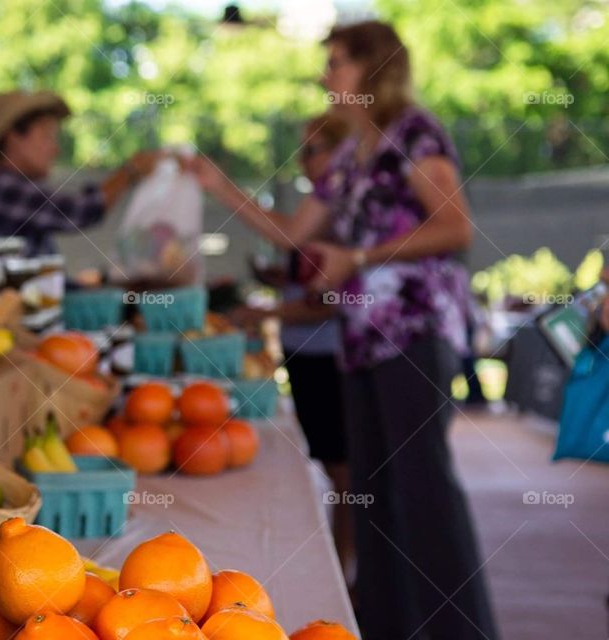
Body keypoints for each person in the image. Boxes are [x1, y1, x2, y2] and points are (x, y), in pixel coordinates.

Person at [189, 20, 498, 640]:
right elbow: (291, 233)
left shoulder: (414, 132)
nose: (325, 76)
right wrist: (219, 186)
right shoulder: (355, 152)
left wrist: (358, 258)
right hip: (361, 343)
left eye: (336, 63)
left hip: (413, 336)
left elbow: (455, 228)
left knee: (422, 494)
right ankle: (386, 626)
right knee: (376, 500)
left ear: (373, 70)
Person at [237, 112, 355, 586]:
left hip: (330, 356)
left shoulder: (340, 214)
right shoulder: (318, 209)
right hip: (306, 355)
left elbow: (333, 302)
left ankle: (347, 574)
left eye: (314, 149)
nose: (305, 159)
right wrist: (278, 281)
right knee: (332, 468)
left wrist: (267, 313)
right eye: (303, 149)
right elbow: (309, 283)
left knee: (345, 476)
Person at [0, 90, 160, 257]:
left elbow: (44, 273)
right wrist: (130, 171)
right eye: (47, 136)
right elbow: (78, 210)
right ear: (13, 137)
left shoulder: (8, 187)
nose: (55, 150)